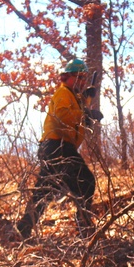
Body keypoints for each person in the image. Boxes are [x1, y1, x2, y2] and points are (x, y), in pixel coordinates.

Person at [16, 58, 102, 240]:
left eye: (84, 78)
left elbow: (79, 106)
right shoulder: (63, 94)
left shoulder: (74, 96)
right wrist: (86, 114)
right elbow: (63, 115)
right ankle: (84, 228)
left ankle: (23, 227)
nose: (81, 81)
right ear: (66, 77)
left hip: (52, 148)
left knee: (45, 190)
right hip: (58, 147)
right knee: (85, 182)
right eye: (78, 77)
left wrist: (88, 96)